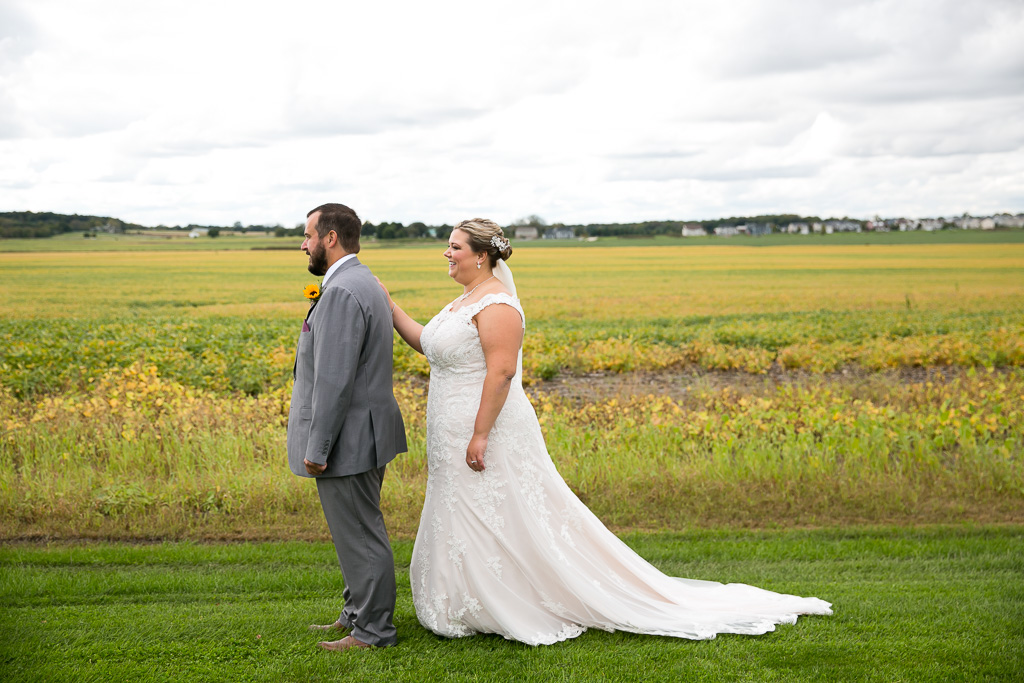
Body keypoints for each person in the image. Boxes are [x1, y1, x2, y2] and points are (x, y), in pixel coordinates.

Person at [380, 218, 831, 646]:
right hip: (447, 429)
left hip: (486, 427)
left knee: (499, 511)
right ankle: (463, 599)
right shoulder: (463, 300)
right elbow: (429, 345)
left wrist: (480, 434)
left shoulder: (496, 304)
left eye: (454, 247)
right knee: (462, 509)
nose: (447, 254)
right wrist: (391, 306)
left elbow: (500, 373)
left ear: (481, 256)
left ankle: (509, 601)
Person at [287, 203, 407, 651]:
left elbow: (334, 380)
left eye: (308, 235)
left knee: (359, 534)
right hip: (367, 430)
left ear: (330, 238)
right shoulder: (363, 280)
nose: (304, 244)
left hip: (349, 437)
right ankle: (357, 613)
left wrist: (318, 447)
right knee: (354, 530)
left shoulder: (340, 291)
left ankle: (373, 631)